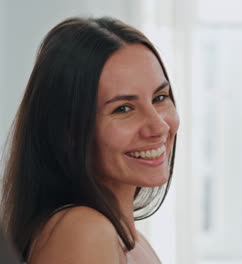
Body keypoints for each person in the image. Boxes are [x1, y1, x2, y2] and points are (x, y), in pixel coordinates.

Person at [0, 17, 179, 264]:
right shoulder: (84, 231)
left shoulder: (129, 238)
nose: (158, 125)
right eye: (124, 109)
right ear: (67, 130)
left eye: (160, 97)